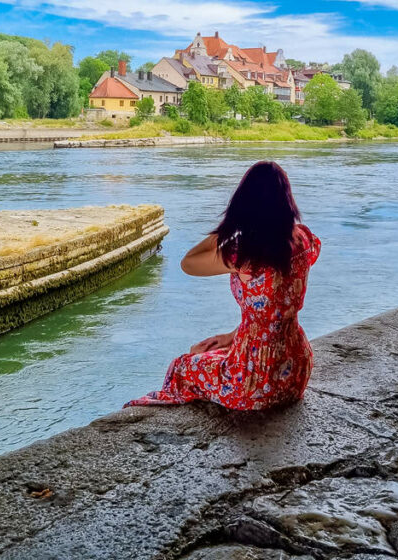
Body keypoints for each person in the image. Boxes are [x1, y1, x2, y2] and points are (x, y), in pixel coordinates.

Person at [124, 160, 321, 410]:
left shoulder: (245, 254)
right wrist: (232, 337)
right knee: (205, 349)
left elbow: (189, 263)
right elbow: (277, 303)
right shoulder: (304, 239)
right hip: (295, 370)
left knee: (184, 365)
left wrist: (229, 226)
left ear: (244, 203)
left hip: (256, 381)